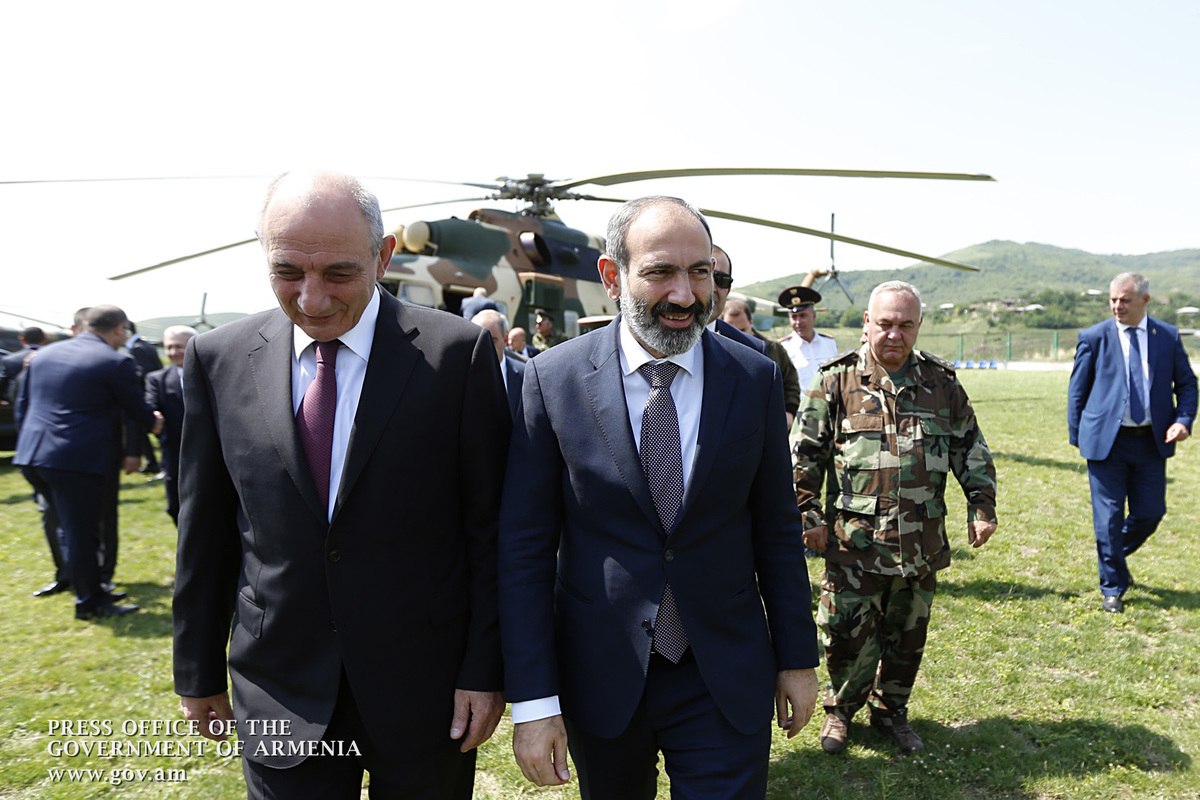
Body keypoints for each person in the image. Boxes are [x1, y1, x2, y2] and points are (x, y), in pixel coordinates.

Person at [171, 171, 510, 799]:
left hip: (424, 688)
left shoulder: (455, 356)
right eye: (288, 272)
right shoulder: (217, 358)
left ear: (383, 257)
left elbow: (488, 529)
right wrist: (195, 669)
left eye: (338, 273)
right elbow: (207, 526)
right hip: (278, 682)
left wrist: (484, 670)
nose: (313, 298)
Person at [499, 196, 818, 799]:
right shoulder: (552, 379)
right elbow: (525, 549)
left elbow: (777, 528)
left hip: (722, 671)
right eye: (660, 273)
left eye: (700, 272)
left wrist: (798, 660)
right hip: (602, 674)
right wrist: (534, 701)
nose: (684, 294)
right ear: (612, 276)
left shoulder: (754, 378)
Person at [792, 280, 997, 756]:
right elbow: (802, 459)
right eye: (884, 323)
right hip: (853, 543)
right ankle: (841, 710)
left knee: (907, 636)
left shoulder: (942, 384)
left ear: (919, 326)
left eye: (906, 325)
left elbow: (971, 448)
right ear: (867, 323)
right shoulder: (835, 381)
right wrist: (809, 517)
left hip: (920, 542)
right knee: (845, 633)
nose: (894, 334)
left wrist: (981, 505)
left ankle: (891, 712)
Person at [14, 305, 160, 620]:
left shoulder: (44, 356)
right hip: (75, 460)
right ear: (120, 329)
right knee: (83, 532)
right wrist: (156, 422)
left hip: (32, 455)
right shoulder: (116, 360)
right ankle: (90, 602)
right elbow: (136, 409)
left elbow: (23, 406)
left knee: (67, 528)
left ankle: (88, 584)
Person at [1068, 272, 1196, 614]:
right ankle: (1112, 587)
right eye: (1113, 299)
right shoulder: (1094, 337)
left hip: (1151, 443)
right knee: (1108, 518)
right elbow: (1077, 390)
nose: (1117, 306)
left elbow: (1186, 385)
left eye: (1124, 299)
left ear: (1145, 301)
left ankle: (1112, 557)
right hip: (1106, 444)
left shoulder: (1167, 337)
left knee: (1151, 513)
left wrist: (1183, 421)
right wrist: (1078, 436)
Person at [722, 295, 801, 428]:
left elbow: (790, 383)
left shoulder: (773, 350)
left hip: (767, 422)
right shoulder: (715, 351)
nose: (738, 337)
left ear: (751, 321)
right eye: (731, 331)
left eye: (743, 330)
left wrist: (789, 411)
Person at [144, 325, 196, 524]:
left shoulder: (216, 373)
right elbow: (150, 402)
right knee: (176, 507)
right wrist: (153, 415)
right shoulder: (157, 379)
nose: (173, 352)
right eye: (169, 347)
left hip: (214, 452)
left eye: (179, 347)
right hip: (175, 454)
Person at [778, 285, 839, 393]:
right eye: (794, 317)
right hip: (799, 408)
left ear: (814, 315)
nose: (798, 322)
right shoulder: (783, 348)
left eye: (803, 316)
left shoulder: (829, 343)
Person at [472, 309, 525, 419]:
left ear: (505, 339)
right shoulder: (458, 375)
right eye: (477, 341)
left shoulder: (525, 374)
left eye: (492, 340)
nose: (483, 347)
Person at [125, 321, 163, 475]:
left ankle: (154, 463)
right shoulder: (146, 345)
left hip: (145, 393)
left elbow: (145, 371)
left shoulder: (136, 349)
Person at [0, 326, 46, 402]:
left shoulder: (10, 359)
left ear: (21, 339)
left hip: (17, 402)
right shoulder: (53, 358)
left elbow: (3, 383)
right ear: (45, 339)